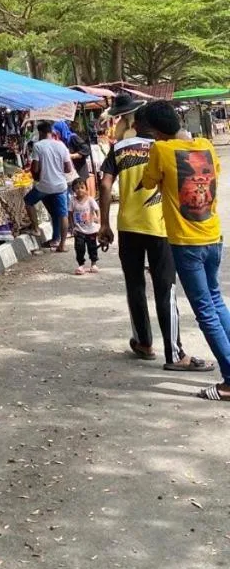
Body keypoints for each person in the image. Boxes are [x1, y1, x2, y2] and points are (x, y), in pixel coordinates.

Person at [98, 93, 205, 371]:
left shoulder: (119, 148)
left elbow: (106, 185)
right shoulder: (167, 146)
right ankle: (175, 352)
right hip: (161, 226)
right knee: (165, 288)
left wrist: (104, 223)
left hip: (128, 226)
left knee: (134, 285)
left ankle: (143, 342)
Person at [138, 100, 230, 402]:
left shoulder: (160, 151)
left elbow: (148, 182)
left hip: (186, 243)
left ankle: (229, 381)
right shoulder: (205, 145)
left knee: (205, 310)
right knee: (216, 302)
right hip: (213, 237)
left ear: (153, 131)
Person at [25, 120, 72, 251]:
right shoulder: (61, 145)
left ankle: (35, 228)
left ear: (40, 133)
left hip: (44, 186)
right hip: (61, 186)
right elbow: (68, 168)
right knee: (62, 214)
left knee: (28, 201)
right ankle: (61, 244)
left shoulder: (38, 146)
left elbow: (34, 168)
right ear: (51, 132)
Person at [70, 175, 100, 275]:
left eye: (82, 187)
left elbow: (96, 209)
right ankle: (81, 265)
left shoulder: (90, 200)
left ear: (86, 189)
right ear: (73, 190)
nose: (79, 190)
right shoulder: (72, 201)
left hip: (91, 229)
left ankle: (93, 264)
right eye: (77, 188)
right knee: (79, 248)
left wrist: (98, 219)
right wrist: (72, 226)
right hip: (79, 230)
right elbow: (70, 213)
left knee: (92, 247)